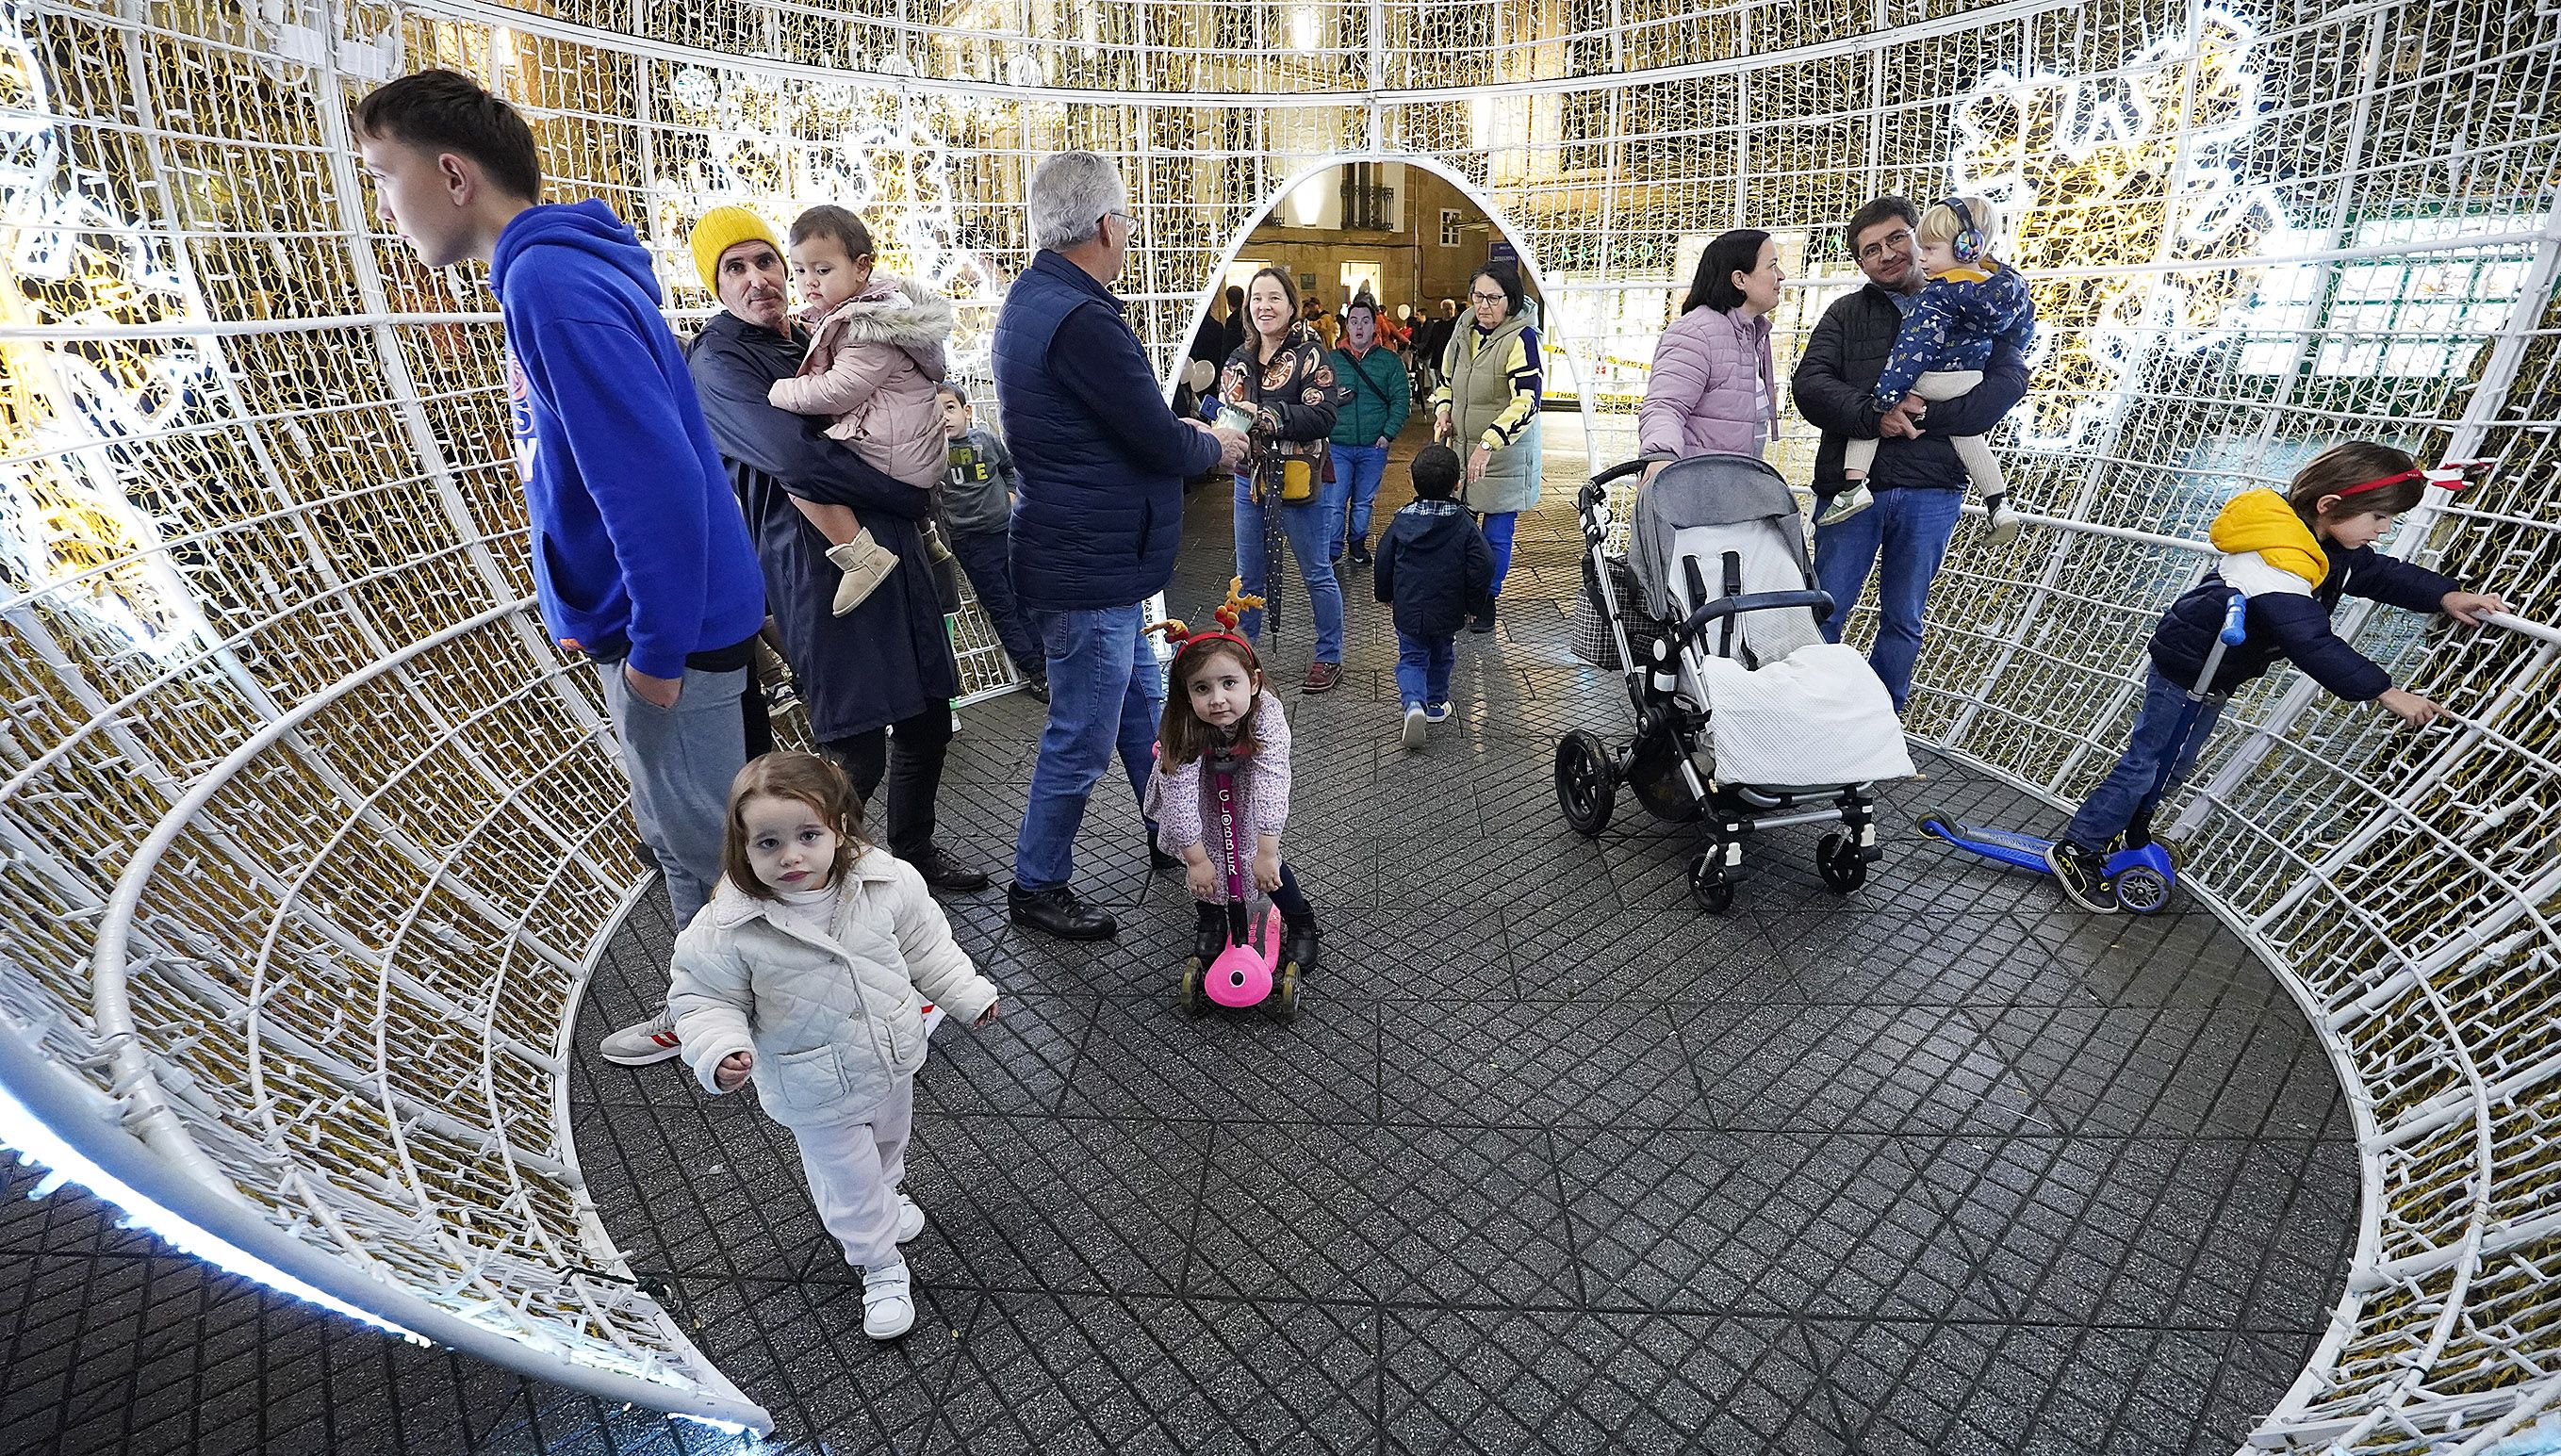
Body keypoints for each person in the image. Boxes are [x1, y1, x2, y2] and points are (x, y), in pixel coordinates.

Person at [353, 71, 765, 1069]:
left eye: (384, 175)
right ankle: (734, 1008)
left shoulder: (550, 283)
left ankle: (748, 1026)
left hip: (665, 628)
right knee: (701, 840)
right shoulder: (560, 268)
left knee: (703, 850)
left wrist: (655, 648)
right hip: (660, 618)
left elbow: (650, 485)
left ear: (451, 174)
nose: (383, 203)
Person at [2044, 444, 2507, 911]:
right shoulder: (2273, 557)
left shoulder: (2328, 544)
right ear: (2329, 506)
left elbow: (2380, 575)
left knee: (2175, 764)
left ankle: (2129, 829)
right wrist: (2385, 692)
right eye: (2378, 518)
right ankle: (2078, 847)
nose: (2383, 531)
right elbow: (2308, 639)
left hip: (2220, 671)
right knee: (2146, 761)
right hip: (2188, 664)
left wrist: (2446, 595)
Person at [685, 208, 991, 897]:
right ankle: (823, 879)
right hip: (821, 572)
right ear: (716, 284)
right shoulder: (719, 359)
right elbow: (798, 458)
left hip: (894, 551)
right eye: (736, 268)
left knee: (927, 719)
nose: (759, 279)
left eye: (766, 261)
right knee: (854, 744)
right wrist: (905, 492)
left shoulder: (813, 331)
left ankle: (912, 853)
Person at [992, 151, 1247, 941]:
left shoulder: (1044, 299)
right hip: (1087, 565)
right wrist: (1215, 444)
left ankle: (1171, 832)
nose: (1129, 232)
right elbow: (1150, 435)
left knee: (1149, 710)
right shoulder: (1081, 318)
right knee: (1082, 737)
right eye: (1127, 219)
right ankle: (1037, 882)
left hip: (1094, 557)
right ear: (1106, 225)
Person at [668, 752, 1001, 1340]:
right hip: (813, 1085)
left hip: (892, 1057)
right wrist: (719, 1048)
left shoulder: (885, 881)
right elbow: (702, 998)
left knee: (889, 1144)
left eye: (808, 835)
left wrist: (966, 993)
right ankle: (878, 1266)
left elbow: (927, 945)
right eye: (767, 843)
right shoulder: (726, 927)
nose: (791, 855)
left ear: (841, 828)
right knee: (847, 1180)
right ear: (741, 848)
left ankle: (888, 1198)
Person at [1792, 196, 2030, 713]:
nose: (1887, 254)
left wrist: (1928, 417)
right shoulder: (1846, 313)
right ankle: (1802, 717)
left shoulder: (1974, 306)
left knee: (1904, 619)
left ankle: (1878, 723)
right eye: (1870, 249)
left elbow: (2010, 382)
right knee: (1824, 610)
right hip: (1852, 489)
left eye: (1898, 238)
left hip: (1933, 488)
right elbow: (1809, 386)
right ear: (1860, 262)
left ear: (1921, 237)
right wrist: (1873, 415)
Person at [763, 205, 952, 615]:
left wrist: (782, 392)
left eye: (822, 271)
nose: (809, 283)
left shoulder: (869, 328)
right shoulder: (879, 308)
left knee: (799, 475)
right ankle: (927, 535)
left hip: (892, 455)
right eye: (799, 271)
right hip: (911, 450)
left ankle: (861, 557)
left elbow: (839, 391)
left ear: (861, 268)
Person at [1823, 196, 2034, 546]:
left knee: (1873, 411)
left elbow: (1913, 350)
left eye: (1928, 248)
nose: (1922, 256)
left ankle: (1853, 486)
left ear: (1968, 247)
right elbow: (2022, 333)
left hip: (1935, 387)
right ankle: (1998, 503)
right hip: (1970, 378)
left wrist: (1889, 397)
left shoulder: (1936, 296)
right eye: (1872, 250)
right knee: (1970, 440)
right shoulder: (2007, 287)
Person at [1141, 589, 1321, 985]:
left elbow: (1274, 777)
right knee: (1208, 866)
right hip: (1199, 796)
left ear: (1253, 682)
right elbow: (1180, 793)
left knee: (1255, 859)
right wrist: (1196, 858)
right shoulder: (1182, 723)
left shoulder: (1266, 714)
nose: (1218, 699)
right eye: (1202, 689)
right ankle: (1210, 918)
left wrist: (1268, 851)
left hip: (1245, 788)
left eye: (1228, 683)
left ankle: (1301, 920)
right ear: (1186, 694)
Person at [1214, 266, 1353, 692]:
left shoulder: (1311, 355)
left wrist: (1269, 416)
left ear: (1292, 306)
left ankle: (1329, 654)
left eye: (1274, 298)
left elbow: (1323, 415)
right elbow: (1227, 414)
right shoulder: (1238, 360)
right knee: (1247, 575)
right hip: (1248, 478)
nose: (1264, 306)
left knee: (1315, 571)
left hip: (1299, 479)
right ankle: (1244, 655)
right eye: (1257, 298)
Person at [1432, 265, 1542, 634]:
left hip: (1502, 456)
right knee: (1461, 529)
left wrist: (1489, 442)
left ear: (1510, 301)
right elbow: (1446, 380)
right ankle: (1463, 594)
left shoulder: (1522, 338)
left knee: (1496, 532)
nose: (1484, 305)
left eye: (1493, 298)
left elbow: (1527, 401)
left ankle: (1485, 600)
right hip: (1463, 451)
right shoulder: (1463, 329)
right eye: (1478, 296)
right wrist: (1443, 410)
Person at [1373, 444, 1494, 748]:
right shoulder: (1463, 523)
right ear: (1457, 484)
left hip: (1409, 607)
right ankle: (1437, 704)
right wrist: (1474, 603)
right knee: (1442, 655)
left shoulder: (1402, 521)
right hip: (1448, 608)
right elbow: (1484, 564)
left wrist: (1385, 593)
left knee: (1412, 657)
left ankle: (1413, 704)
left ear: (1413, 482)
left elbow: (1384, 559)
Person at [1637, 229, 1782, 475]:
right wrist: (1661, 457)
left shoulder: (1751, 335)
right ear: (1740, 279)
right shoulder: (1695, 333)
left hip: (1730, 491)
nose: (1781, 276)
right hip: (1695, 494)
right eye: (1772, 266)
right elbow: (1664, 406)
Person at [936, 383, 1044, 695]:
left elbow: (1009, 468)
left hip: (1008, 532)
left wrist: (1012, 495)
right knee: (1002, 606)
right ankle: (1034, 669)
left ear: (966, 411)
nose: (944, 417)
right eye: (936, 411)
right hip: (970, 542)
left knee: (1027, 597)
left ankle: (1049, 660)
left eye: (950, 408)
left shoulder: (986, 440)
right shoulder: (932, 452)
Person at [1326, 295, 1412, 568]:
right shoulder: (1331, 361)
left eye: (1365, 321)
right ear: (1346, 327)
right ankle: (1333, 548)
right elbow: (1315, 396)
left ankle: (1358, 544)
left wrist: (1387, 434)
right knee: (1336, 500)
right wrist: (1333, 399)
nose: (1359, 327)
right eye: (1354, 322)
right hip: (1338, 443)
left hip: (1374, 446)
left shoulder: (1389, 361)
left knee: (1363, 501)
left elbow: (1401, 400)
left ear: (1374, 327)